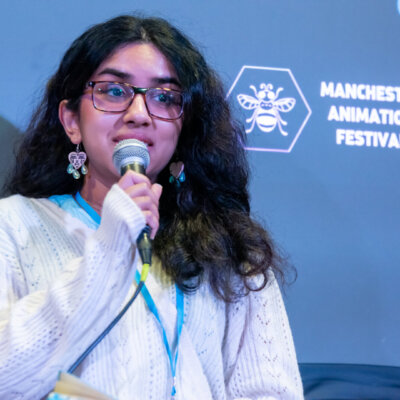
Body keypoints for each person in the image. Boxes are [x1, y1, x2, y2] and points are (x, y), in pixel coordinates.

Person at [0, 14, 303, 400]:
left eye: (165, 97)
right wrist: (112, 247)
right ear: (71, 120)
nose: (139, 114)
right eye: (113, 91)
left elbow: (271, 391)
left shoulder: (233, 249)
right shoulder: (12, 226)